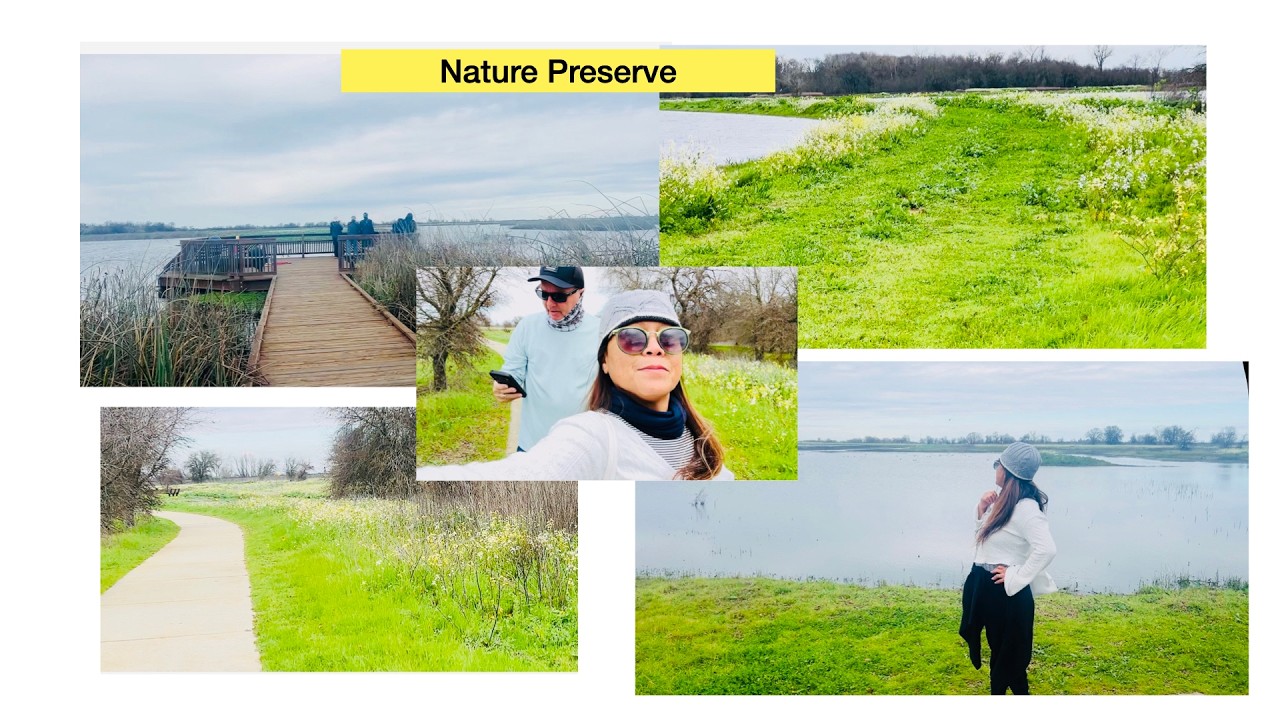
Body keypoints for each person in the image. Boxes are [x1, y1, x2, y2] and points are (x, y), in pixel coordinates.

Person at [419, 289, 733, 480]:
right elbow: (516, 476)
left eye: (670, 338)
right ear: (605, 362)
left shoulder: (700, 437)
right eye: (631, 339)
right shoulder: (594, 436)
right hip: (537, 439)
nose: (654, 347)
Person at [959, 442, 1056, 695]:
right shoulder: (1004, 501)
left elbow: (1046, 549)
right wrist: (982, 508)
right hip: (988, 589)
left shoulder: (1026, 508)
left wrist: (1016, 576)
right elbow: (986, 541)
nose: (995, 469)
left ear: (1009, 471)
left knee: (1008, 663)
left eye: (997, 464)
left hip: (1007, 596)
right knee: (1000, 655)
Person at [493, 267, 600, 451]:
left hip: (582, 449)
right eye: (543, 294)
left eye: (559, 296)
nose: (550, 303)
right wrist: (502, 387)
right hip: (531, 446)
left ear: (581, 293)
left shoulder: (601, 331)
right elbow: (513, 370)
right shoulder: (527, 327)